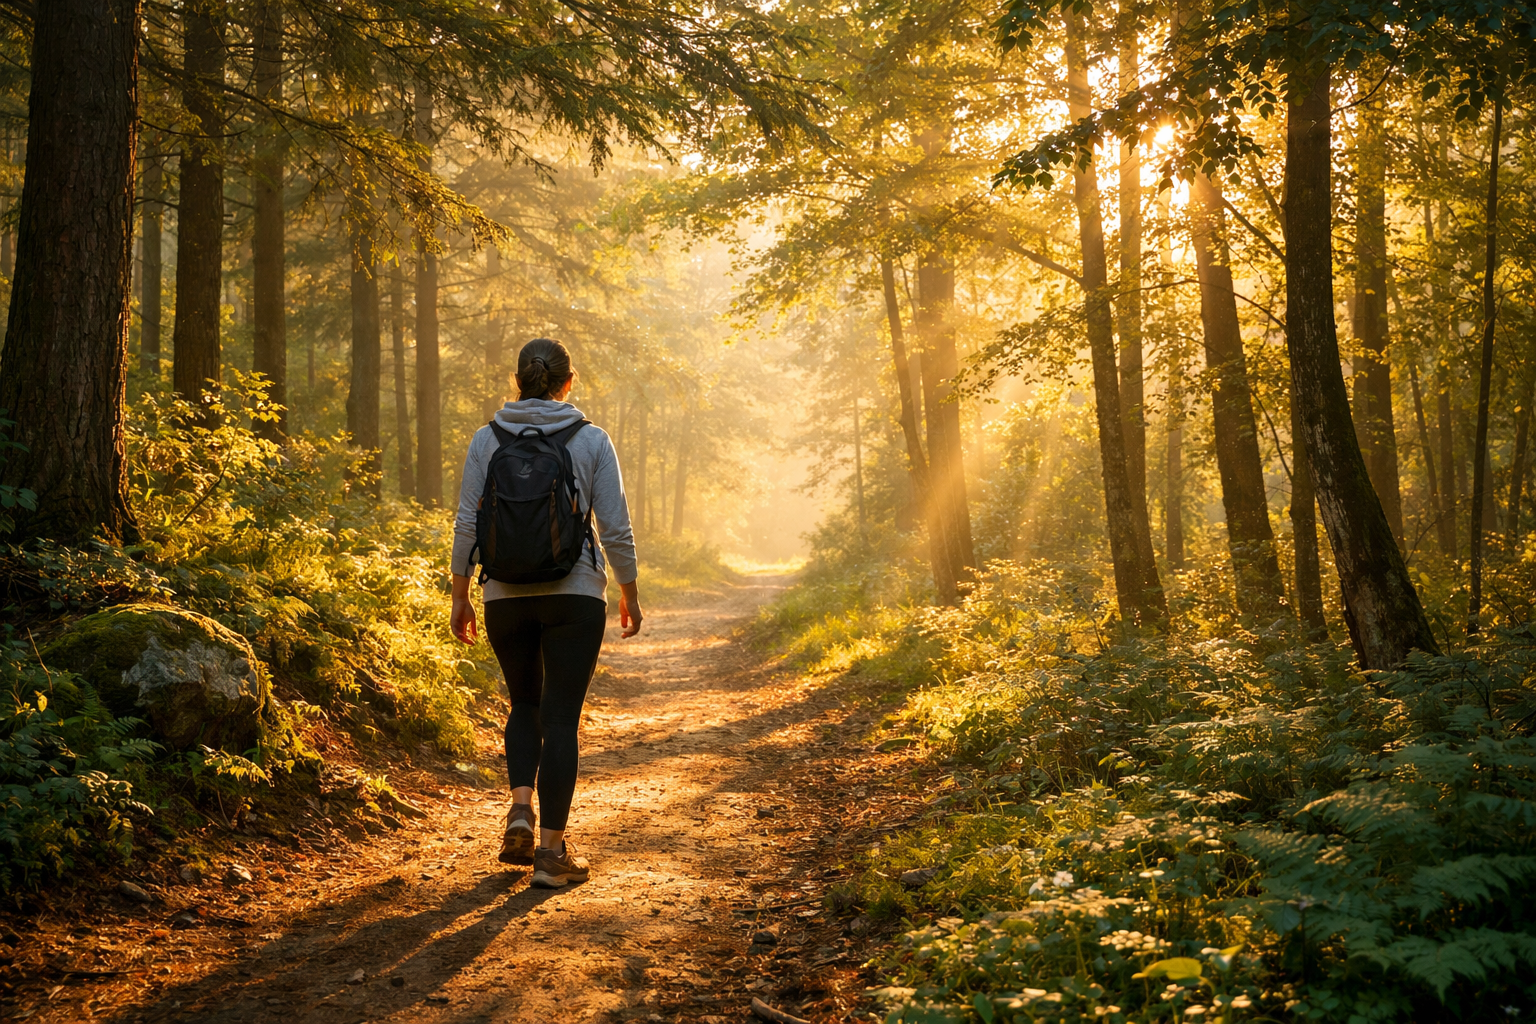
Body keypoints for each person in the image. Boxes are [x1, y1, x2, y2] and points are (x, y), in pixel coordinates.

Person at [449, 337, 642, 888]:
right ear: (568, 382)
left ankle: (518, 813)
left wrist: (461, 593)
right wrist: (628, 590)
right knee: (560, 717)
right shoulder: (592, 439)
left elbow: (467, 521)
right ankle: (552, 855)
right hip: (574, 593)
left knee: (524, 705)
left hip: (503, 594)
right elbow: (616, 528)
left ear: (519, 381)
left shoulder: (487, 439)